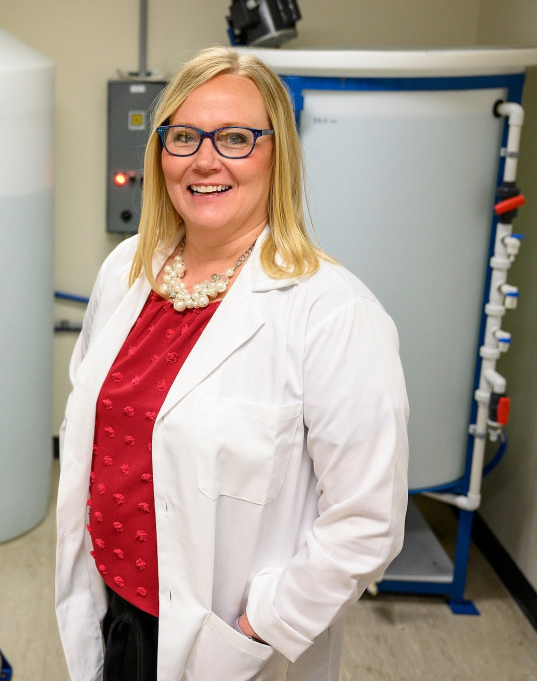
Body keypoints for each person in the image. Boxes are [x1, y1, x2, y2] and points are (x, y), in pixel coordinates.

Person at [55, 45, 409, 681]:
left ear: (278, 155)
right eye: (184, 137)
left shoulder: (332, 312)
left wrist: (258, 629)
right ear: (159, 151)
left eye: (237, 138)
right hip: (114, 610)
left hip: (229, 641)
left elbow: (366, 523)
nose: (205, 160)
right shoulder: (127, 270)